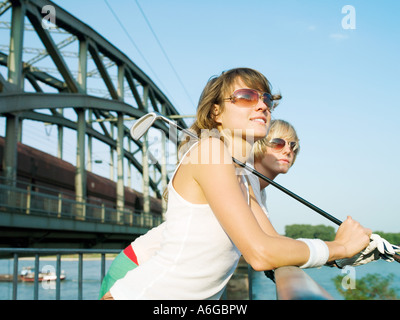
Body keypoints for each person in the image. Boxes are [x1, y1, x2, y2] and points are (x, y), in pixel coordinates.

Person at [101, 67, 371, 300]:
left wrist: (342, 252)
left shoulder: (244, 175)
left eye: (266, 98)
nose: (262, 105)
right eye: (246, 97)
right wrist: (341, 247)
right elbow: (260, 254)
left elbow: (273, 242)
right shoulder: (210, 151)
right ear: (216, 112)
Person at [98, 119, 299, 299]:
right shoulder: (241, 177)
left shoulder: (256, 190)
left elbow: (269, 241)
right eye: (278, 143)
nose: (288, 150)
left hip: (168, 282)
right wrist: (325, 250)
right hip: (139, 267)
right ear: (259, 145)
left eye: (293, 145)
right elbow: (268, 246)